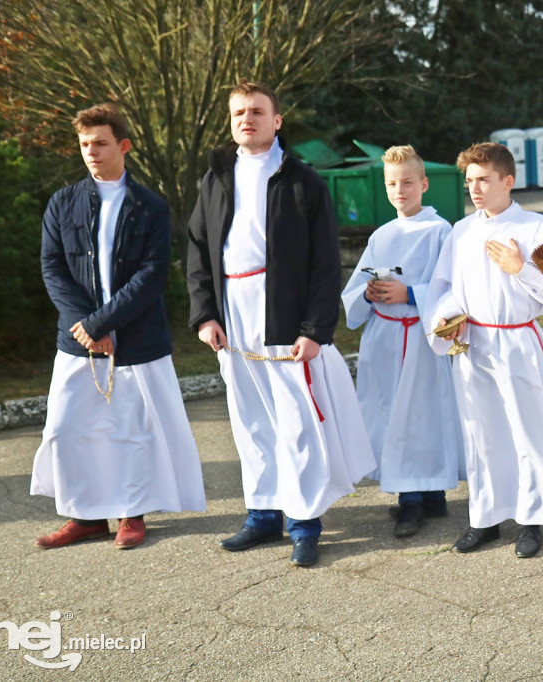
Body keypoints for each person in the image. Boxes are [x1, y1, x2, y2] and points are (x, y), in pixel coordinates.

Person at [186, 81, 374, 567]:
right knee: (250, 420)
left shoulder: (301, 181)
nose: (246, 119)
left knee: (296, 422)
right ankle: (263, 514)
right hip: (233, 312)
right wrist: (205, 314)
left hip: (283, 311)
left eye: (256, 111)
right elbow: (196, 250)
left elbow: (325, 262)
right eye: (238, 113)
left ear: (277, 121)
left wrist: (314, 329)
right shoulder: (215, 177)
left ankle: (305, 522)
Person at [32, 104, 206, 550]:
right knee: (66, 428)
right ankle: (86, 518)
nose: (91, 151)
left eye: (101, 143)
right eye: (85, 144)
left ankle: (132, 513)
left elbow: (151, 275)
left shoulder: (150, 206)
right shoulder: (62, 202)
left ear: (123, 146)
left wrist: (104, 322)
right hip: (77, 343)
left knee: (133, 429)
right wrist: (86, 326)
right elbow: (52, 269)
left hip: (138, 339)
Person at [423, 142, 543, 559]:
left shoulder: (535, 228)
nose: (475, 188)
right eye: (469, 180)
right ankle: (486, 517)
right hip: (473, 344)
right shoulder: (461, 231)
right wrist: (445, 319)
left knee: (526, 430)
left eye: (484, 179)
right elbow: (448, 289)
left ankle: (532, 520)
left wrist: (521, 267)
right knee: (483, 434)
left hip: (518, 338)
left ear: (508, 181)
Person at [341, 145, 463, 538]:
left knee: (421, 415)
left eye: (408, 182)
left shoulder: (440, 231)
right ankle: (419, 492)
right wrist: (370, 292)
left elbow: (450, 286)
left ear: (424, 185)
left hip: (420, 336)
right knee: (392, 414)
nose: (400, 190)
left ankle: (418, 498)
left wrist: (410, 294)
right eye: (392, 183)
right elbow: (355, 289)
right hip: (385, 339)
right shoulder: (382, 234)